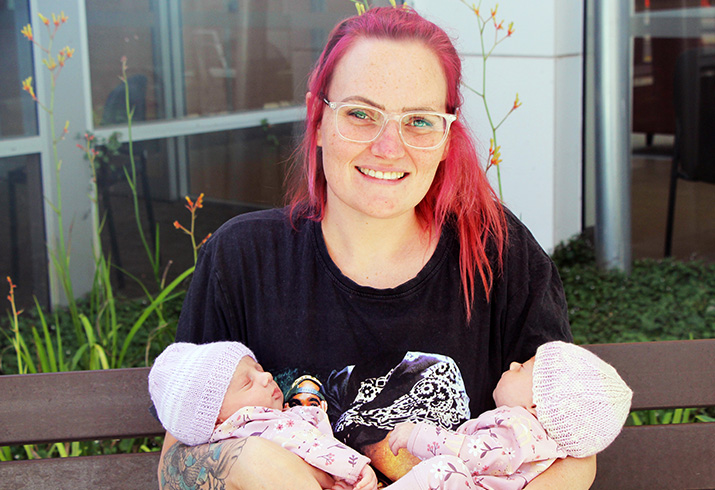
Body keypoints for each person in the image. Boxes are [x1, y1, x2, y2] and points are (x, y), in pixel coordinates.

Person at [158, 6, 596, 489]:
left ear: (447, 137)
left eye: (420, 121)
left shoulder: (498, 252)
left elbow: (574, 455)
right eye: (361, 114)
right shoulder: (243, 259)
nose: (389, 146)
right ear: (318, 120)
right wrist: (257, 466)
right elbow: (175, 461)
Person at [384, 341, 633, 489]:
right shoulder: (545, 448)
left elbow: (478, 454)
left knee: (443, 469)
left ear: (535, 405)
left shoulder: (520, 429)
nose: (513, 365)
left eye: (523, 368)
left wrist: (418, 435)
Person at [148, 341, 378, 490]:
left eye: (258, 369)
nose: (267, 376)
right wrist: (355, 470)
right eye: (248, 383)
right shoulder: (258, 424)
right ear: (216, 418)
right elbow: (311, 445)